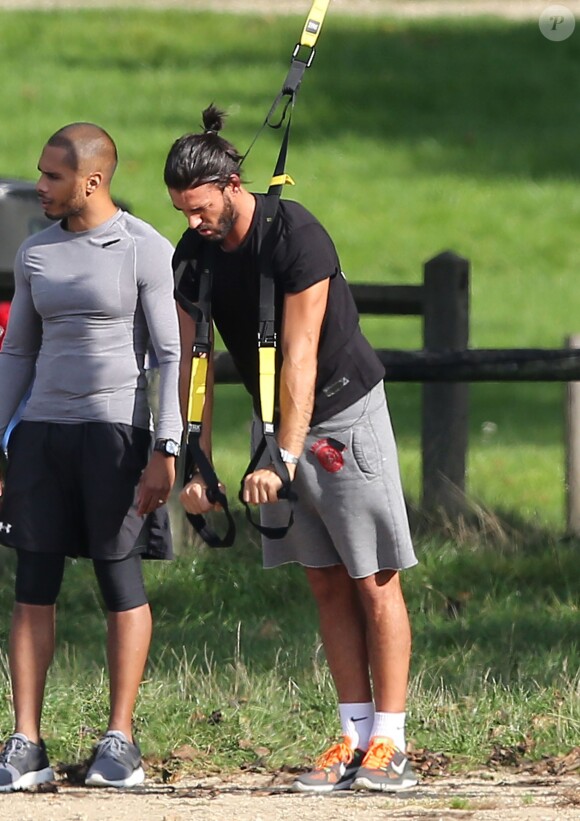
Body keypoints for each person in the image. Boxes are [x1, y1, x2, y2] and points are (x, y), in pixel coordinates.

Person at [164, 105, 419, 794]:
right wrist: (199, 463)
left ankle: (392, 743)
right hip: (276, 421)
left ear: (234, 182)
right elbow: (196, 362)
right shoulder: (193, 257)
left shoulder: (295, 236)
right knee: (322, 577)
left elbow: (301, 356)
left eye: (202, 208)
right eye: (184, 212)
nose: (195, 223)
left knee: (373, 576)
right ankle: (353, 732)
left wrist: (283, 452)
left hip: (338, 410)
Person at [0, 123, 182, 791]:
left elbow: (172, 355)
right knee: (32, 586)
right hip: (43, 435)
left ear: (93, 180)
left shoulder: (143, 250)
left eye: (52, 177)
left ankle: (121, 740)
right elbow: (16, 351)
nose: (41, 187)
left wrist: (167, 446)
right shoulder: (35, 253)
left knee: (118, 582)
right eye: (41, 174)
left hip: (116, 437)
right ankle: (26, 742)